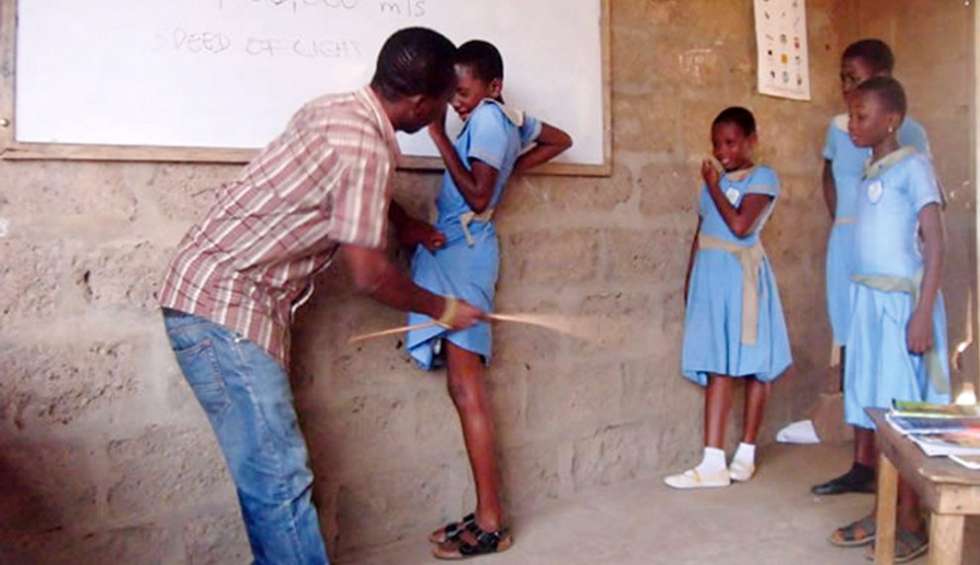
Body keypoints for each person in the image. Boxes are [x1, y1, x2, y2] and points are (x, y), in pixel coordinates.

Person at [158, 27, 484, 565]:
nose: (443, 115)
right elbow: (370, 276)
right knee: (279, 481)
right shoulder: (366, 149)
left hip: (212, 294)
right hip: (223, 308)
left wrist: (404, 222)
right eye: (442, 104)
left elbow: (346, 187)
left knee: (272, 481)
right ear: (421, 104)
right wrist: (444, 309)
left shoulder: (337, 111)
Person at [403, 39, 572, 559]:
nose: (454, 103)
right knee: (461, 386)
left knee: (468, 388)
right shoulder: (500, 118)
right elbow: (558, 139)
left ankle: (492, 522)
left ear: (493, 86)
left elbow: (478, 195)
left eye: (462, 93)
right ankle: (484, 512)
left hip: (467, 255)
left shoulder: (491, 120)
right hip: (457, 252)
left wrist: (438, 137)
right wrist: (508, 170)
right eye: (450, 94)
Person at [828, 76, 949, 563]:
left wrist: (922, 314)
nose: (852, 125)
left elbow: (936, 244)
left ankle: (911, 521)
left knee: (902, 413)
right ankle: (884, 512)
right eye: (851, 116)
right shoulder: (870, 171)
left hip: (902, 307)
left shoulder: (914, 167)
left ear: (892, 120)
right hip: (870, 306)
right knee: (878, 411)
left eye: (862, 117)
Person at [813, 38, 933, 497]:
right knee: (854, 347)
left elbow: (923, 212)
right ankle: (862, 463)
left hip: (890, 260)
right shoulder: (839, 129)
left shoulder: (911, 137)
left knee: (893, 360)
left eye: (856, 78)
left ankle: (899, 478)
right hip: (850, 242)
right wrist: (842, 220)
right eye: (843, 78)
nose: (847, 87)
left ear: (882, 78)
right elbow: (830, 176)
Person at [664, 106, 792, 489]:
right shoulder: (712, 184)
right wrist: (691, 280)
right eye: (717, 144)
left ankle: (746, 453)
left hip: (743, 278)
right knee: (716, 363)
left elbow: (740, 225)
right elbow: (701, 231)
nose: (722, 151)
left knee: (755, 363)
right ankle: (712, 461)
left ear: (752, 140)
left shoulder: (762, 178)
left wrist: (714, 185)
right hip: (712, 279)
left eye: (731, 142)